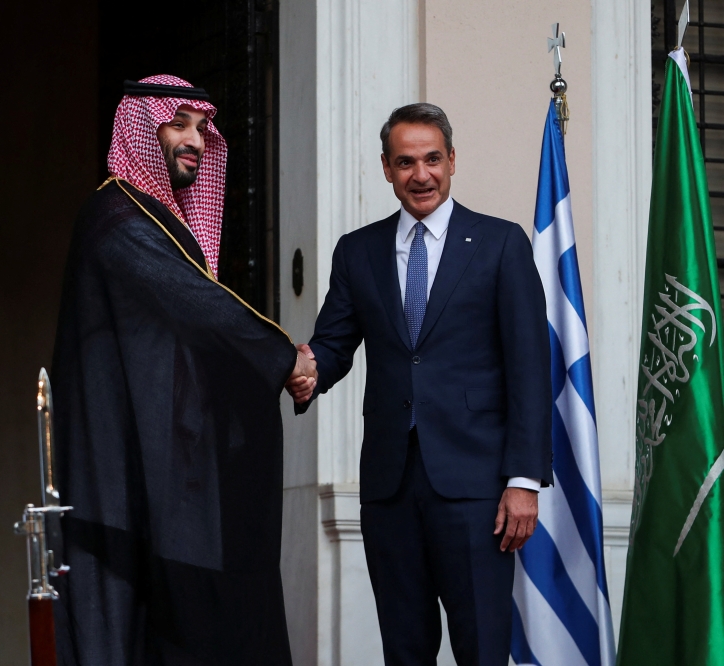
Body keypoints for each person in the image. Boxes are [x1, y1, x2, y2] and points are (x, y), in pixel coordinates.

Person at [50, 74, 315, 665]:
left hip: (169, 463)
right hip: (122, 464)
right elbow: (200, 306)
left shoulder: (159, 224)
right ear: (144, 129)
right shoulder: (116, 217)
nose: (195, 139)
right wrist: (283, 355)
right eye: (179, 123)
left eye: (203, 128)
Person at [288, 103, 552, 666]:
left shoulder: (501, 244)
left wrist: (524, 478)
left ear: (452, 161)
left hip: (478, 488)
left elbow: (530, 369)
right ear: (386, 168)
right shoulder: (357, 250)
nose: (421, 174)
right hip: (390, 487)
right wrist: (305, 374)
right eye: (405, 162)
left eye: (432, 159)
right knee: (404, 650)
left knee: (481, 646)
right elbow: (333, 346)